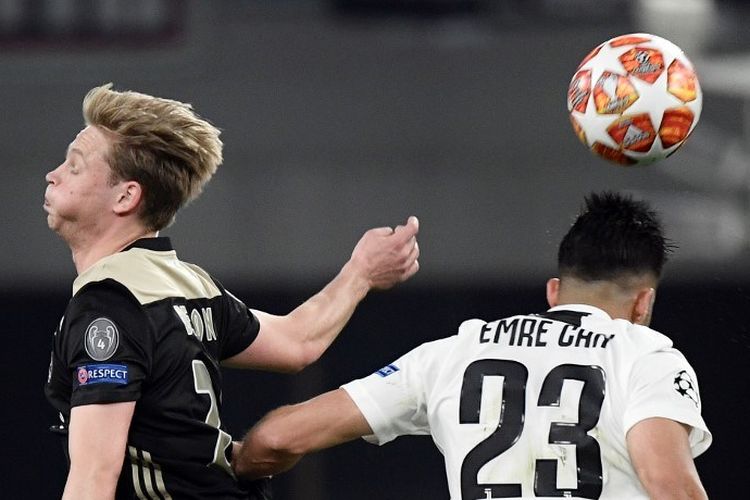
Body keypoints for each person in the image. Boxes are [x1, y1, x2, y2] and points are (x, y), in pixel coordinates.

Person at [43, 83, 420, 500]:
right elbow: (298, 341)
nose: (53, 174)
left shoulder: (108, 307)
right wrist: (360, 272)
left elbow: (94, 479)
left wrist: (361, 272)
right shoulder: (189, 284)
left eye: (74, 167)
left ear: (126, 196)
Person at [233, 191, 712, 499]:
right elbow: (669, 485)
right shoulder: (644, 356)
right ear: (643, 304)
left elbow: (279, 438)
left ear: (553, 292)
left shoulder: (455, 353)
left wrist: (238, 465)